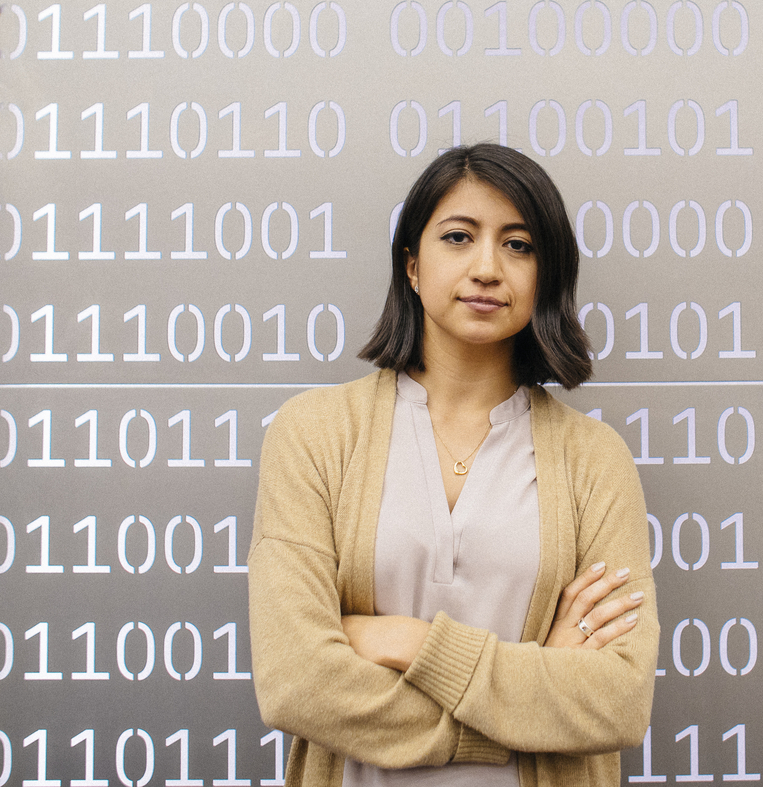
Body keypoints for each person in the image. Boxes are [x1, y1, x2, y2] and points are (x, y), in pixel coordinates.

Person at [248, 143, 658, 787]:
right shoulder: (314, 434)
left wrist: (411, 643)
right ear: (412, 267)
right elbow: (296, 683)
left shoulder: (594, 458)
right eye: (459, 237)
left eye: (519, 245)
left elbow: (617, 701)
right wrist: (522, 705)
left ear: (544, 277)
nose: (488, 267)